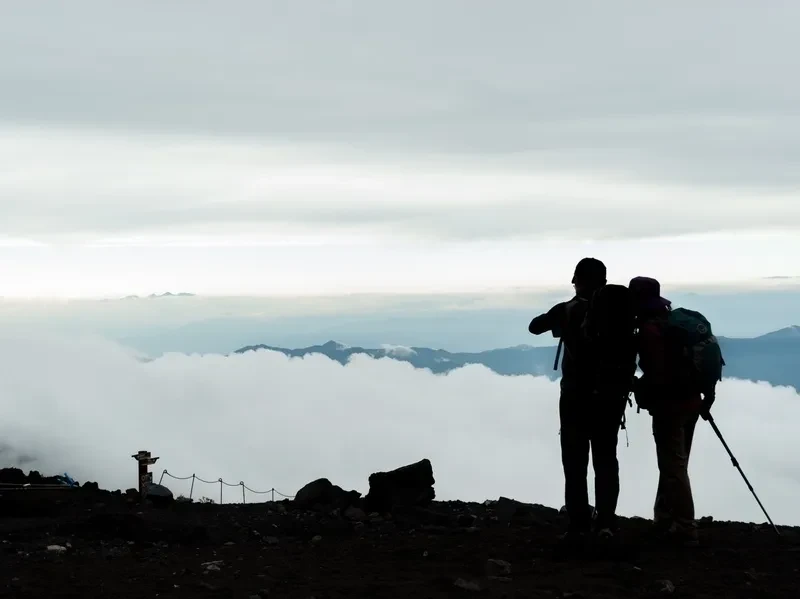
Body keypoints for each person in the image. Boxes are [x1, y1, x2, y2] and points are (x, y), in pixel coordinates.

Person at [528, 258, 630, 543]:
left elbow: (534, 327)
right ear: (604, 281)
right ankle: (606, 522)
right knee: (606, 459)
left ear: (577, 280)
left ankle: (578, 524)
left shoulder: (567, 310)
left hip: (575, 397)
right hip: (610, 398)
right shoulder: (620, 310)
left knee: (575, 462)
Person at [629, 276, 704, 547]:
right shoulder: (674, 324)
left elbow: (658, 373)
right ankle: (664, 518)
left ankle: (684, 526)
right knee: (675, 464)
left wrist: (637, 386)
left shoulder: (649, 331)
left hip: (669, 406)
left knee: (672, 466)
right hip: (691, 402)